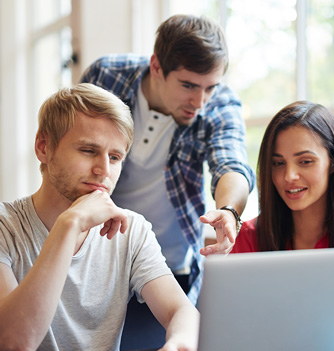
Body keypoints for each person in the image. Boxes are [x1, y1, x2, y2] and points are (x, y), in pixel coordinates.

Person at [0, 83, 199, 351]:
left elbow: (180, 311)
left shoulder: (132, 230)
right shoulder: (5, 226)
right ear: (44, 147)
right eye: (88, 150)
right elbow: (15, 344)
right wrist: (70, 224)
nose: (103, 170)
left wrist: (180, 343)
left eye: (115, 157)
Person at [80, 14, 255, 304]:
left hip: (167, 268)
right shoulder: (106, 77)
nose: (199, 103)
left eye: (209, 87)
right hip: (95, 261)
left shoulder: (220, 103)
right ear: (157, 67)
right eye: (188, 85)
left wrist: (229, 211)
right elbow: (69, 151)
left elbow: (231, 163)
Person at [231, 100, 334, 351]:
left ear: (332, 162)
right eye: (278, 163)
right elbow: (230, 331)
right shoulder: (249, 237)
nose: (289, 176)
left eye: (305, 161)